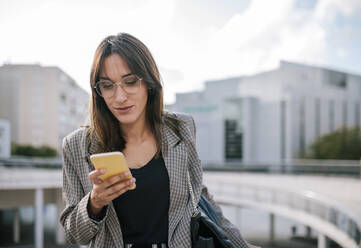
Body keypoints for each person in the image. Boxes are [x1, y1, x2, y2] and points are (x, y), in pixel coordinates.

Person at [59, 33, 256, 248]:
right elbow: (75, 234)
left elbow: (201, 198)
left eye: (130, 82)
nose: (120, 97)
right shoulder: (76, 146)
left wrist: (241, 245)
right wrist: (95, 202)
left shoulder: (181, 129)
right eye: (107, 85)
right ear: (98, 92)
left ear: (149, 83)